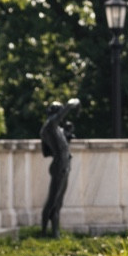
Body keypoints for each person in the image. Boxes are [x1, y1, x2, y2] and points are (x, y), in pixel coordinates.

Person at [39, 98, 79, 237]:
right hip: (59, 165)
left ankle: (55, 231)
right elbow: (59, 117)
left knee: (58, 201)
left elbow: (60, 145)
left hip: (64, 165)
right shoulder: (50, 125)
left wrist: (67, 135)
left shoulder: (56, 129)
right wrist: (70, 104)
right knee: (52, 200)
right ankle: (45, 231)